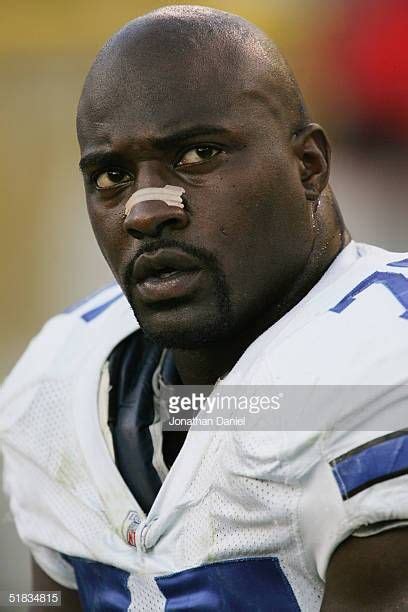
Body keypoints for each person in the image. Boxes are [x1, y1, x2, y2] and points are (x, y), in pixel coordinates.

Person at [1, 5, 408, 611]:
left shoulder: (375, 369)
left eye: (197, 156)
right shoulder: (61, 379)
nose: (145, 209)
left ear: (310, 167)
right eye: (112, 174)